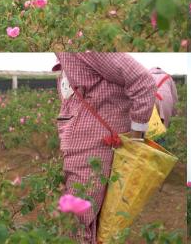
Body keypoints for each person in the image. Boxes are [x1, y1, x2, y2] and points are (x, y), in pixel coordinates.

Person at [53, 53, 155, 243]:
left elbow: (143, 81)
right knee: (84, 223)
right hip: (79, 148)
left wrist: (136, 135)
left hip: (94, 149)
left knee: (78, 223)